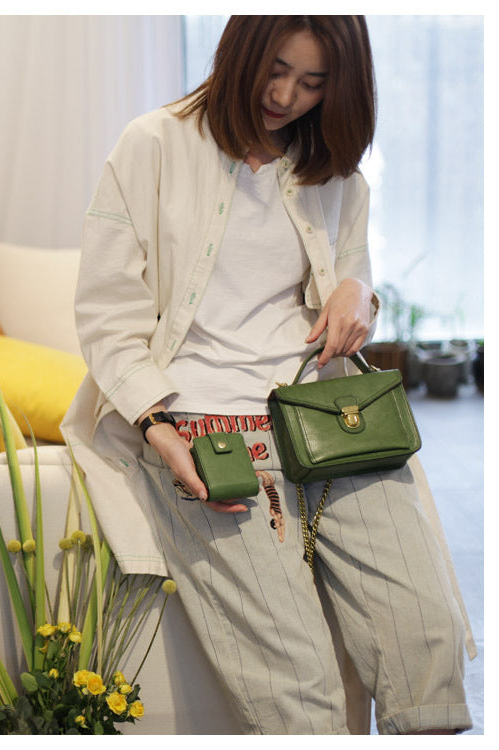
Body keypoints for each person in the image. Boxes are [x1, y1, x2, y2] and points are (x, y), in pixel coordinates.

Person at [61, 15, 473, 735]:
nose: (286, 95)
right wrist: (157, 430)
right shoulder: (152, 145)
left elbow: (352, 267)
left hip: (325, 421)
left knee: (427, 638)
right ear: (240, 51)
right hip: (204, 429)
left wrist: (357, 291)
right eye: (275, 70)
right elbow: (106, 312)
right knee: (300, 691)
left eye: (314, 83)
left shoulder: (332, 167)